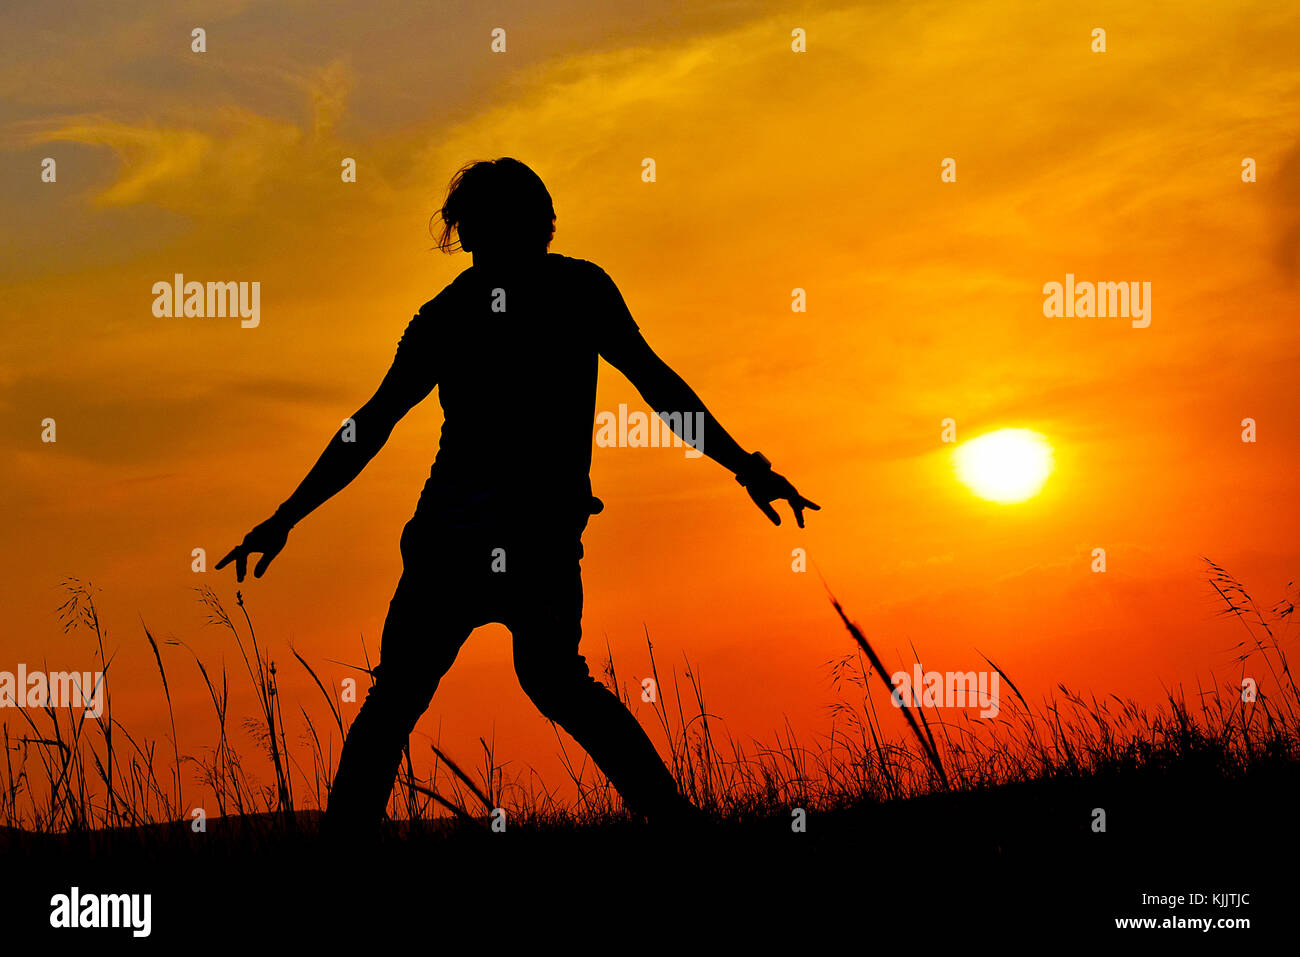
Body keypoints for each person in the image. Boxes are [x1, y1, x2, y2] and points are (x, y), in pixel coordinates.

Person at [217, 157, 819, 833]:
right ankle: (678, 824)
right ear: (469, 234)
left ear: (538, 227)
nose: (513, 240)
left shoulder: (568, 292)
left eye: (524, 225)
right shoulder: (457, 316)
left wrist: (746, 465)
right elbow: (373, 421)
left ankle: (678, 822)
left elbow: (657, 384)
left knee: (508, 685)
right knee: (470, 690)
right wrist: (286, 515)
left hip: (524, 536)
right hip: (466, 538)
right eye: (495, 226)